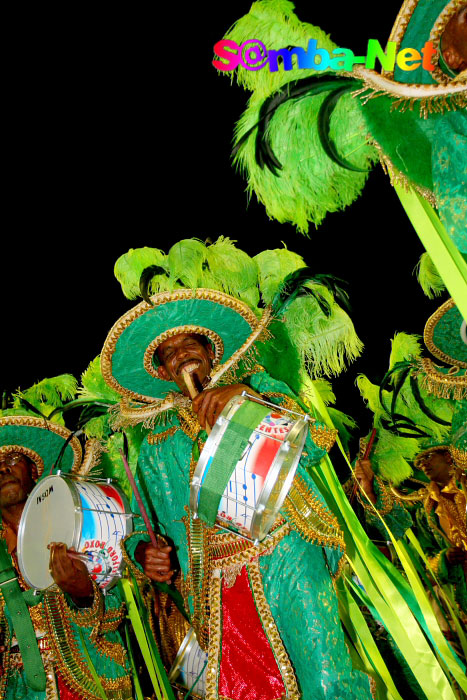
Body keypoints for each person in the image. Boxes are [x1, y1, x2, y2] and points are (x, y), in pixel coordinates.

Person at [102, 238, 373, 699]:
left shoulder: (261, 388)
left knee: (327, 677)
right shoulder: (155, 449)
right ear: (163, 372)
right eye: (170, 353)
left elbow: (312, 445)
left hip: (286, 544)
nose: (183, 355)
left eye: (192, 344)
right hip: (215, 582)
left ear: (212, 353)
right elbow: (137, 526)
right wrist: (144, 553)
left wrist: (246, 397)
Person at [0, 414, 133, 700]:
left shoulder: (84, 517)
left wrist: (84, 594)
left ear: (35, 471)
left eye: (11, 460)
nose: (2, 470)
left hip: (91, 679)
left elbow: (122, 599)